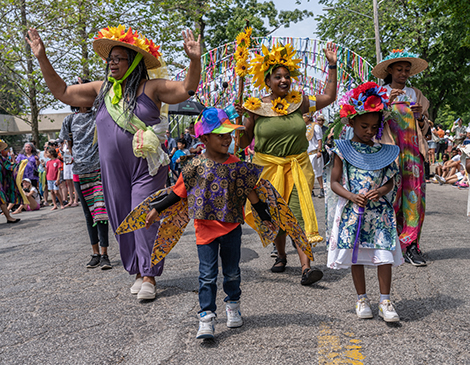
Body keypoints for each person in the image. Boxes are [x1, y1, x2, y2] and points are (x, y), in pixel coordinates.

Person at [27, 25, 201, 299]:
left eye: (119, 58)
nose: (112, 62)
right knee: (122, 219)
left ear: (133, 62)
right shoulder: (101, 90)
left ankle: (149, 276)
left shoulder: (151, 87)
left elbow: (186, 88)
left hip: (147, 167)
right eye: (110, 58)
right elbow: (62, 91)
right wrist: (41, 57)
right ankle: (136, 270)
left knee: (143, 215)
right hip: (111, 170)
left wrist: (194, 60)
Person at [143, 108, 281, 339]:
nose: (227, 139)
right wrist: (157, 208)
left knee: (232, 272)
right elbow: (178, 193)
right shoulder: (193, 166)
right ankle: (206, 316)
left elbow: (252, 194)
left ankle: (233, 305)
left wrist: (266, 217)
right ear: (205, 139)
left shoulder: (237, 164)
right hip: (204, 231)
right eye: (221, 135)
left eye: (229, 135)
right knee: (207, 275)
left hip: (231, 229)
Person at [237, 41, 338, 285]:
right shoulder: (256, 107)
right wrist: (239, 121)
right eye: (277, 77)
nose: (284, 80)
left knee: (297, 214)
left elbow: (330, 96)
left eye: (287, 76)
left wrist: (332, 64)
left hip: (297, 167)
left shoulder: (299, 102)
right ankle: (281, 255)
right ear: (267, 81)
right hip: (267, 169)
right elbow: (242, 143)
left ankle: (306, 267)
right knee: (274, 216)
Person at [327, 82, 403, 322]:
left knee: (384, 255)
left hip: (379, 213)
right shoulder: (343, 150)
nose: (370, 131)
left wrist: (381, 191)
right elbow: (335, 182)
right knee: (355, 255)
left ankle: (385, 300)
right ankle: (362, 298)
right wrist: (351, 196)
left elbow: (391, 181)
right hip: (354, 211)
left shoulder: (385, 151)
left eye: (374, 126)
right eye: (364, 126)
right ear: (351, 123)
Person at [372, 49, 430, 266]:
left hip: (413, 154)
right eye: (399, 69)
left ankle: (412, 245)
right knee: (390, 197)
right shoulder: (379, 92)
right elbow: (371, 126)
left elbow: (425, 128)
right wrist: (384, 104)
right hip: (389, 154)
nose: (404, 73)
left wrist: (419, 118)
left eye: (407, 70)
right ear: (390, 70)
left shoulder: (416, 94)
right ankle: (390, 243)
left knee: (414, 199)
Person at [59, 79, 111, 269]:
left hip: (98, 170)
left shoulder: (99, 115)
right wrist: (68, 154)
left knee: (101, 212)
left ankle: (105, 255)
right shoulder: (69, 120)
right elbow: (65, 145)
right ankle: (95, 253)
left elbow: (106, 97)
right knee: (89, 215)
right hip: (79, 172)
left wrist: (90, 84)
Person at [0, 139, 22, 224]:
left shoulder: (1, 159)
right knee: (1, 198)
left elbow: (9, 166)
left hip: (1, 183)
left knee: (1, 198)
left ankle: (8, 217)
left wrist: (20, 164)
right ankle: (8, 217)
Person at [305, 113, 325, 198]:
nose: (302, 118)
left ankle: (322, 189)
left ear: (309, 117)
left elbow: (319, 139)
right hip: (307, 154)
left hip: (315, 153)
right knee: (309, 173)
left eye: (304, 116)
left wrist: (319, 150)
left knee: (318, 172)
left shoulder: (315, 126)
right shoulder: (304, 127)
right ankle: (311, 190)